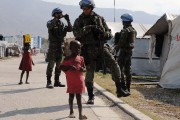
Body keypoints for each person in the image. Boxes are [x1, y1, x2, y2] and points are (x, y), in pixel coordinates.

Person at [73, 0, 130, 104]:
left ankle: (119, 89)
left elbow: (109, 33)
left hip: (101, 47)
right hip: (88, 49)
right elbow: (76, 34)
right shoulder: (79, 20)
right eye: (83, 9)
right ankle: (91, 96)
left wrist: (103, 34)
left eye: (87, 8)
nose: (85, 10)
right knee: (90, 72)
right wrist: (88, 28)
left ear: (91, 8)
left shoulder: (99, 18)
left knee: (114, 64)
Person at [60, 40, 87, 119]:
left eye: (79, 48)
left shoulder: (81, 58)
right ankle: (71, 111)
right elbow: (61, 67)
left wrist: (83, 69)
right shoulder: (67, 58)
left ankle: (80, 114)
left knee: (79, 97)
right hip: (71, 81)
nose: (78, 50)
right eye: (76, 48)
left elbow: (84, 68)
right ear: (71, 48)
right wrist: (69, 67)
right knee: (71, 96)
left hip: (79, 81)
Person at [46, 7, 73, 88]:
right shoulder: (50, 22)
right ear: (54, 14)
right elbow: (49, 26)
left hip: (60, 47)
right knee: (51, 65)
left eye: (60, 13)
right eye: (58, 13)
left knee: (59, 65)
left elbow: (70, 29)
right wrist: (56, 19)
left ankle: (57, 81)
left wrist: (68, 20)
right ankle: (49, 82)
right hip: (52, 47)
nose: (60, 15)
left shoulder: (62, 24)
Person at [114, 13, 137, 92]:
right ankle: (128, 87)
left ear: (124, 21)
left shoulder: (125, 30)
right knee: (128, 70)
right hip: (130, 52)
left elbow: (121, 43)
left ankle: (122, 87)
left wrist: (114, 50)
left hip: (124, 52)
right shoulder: (133, 30)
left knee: (120, 69)